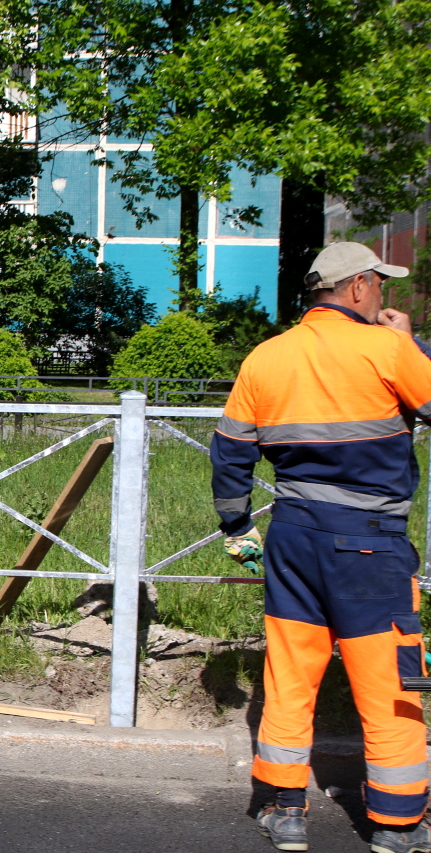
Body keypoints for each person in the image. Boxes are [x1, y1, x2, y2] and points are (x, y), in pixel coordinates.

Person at [211, 242, 431, 853]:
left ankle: (285, 812)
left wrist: (236, 529)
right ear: (357, 286)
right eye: (381, 285)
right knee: (389, 679)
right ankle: (398, 824)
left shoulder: (267, 356)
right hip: (369, 547)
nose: (384, 296)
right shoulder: (388, 349)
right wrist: (412, 346)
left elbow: (229, 451)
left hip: (292, 538)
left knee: (288, 672)